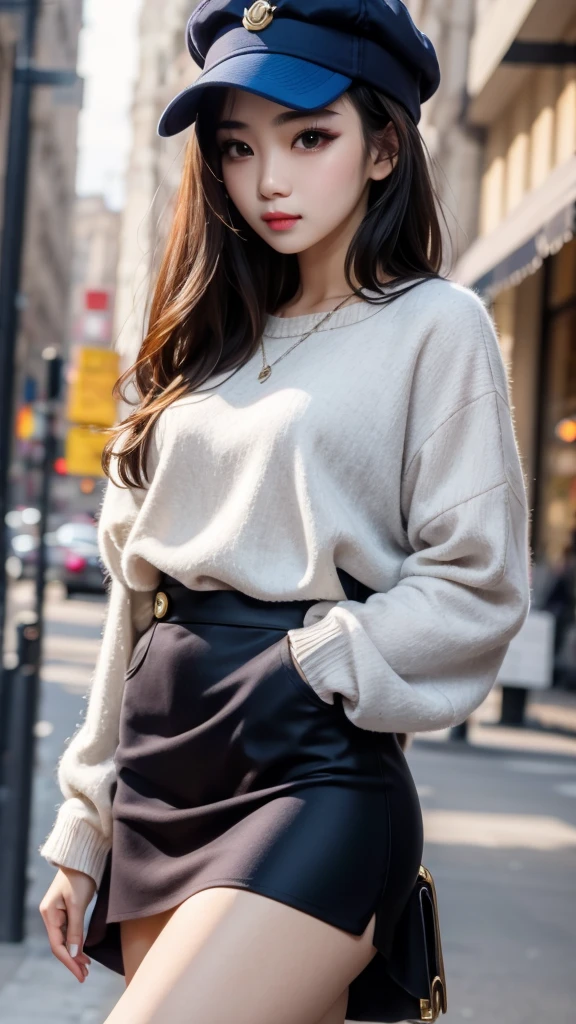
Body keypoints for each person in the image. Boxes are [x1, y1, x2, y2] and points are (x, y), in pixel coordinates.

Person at [38, 2, 531, 1022]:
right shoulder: (196, 343)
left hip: (312, 765)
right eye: (237, 147)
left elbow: (478, 582)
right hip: (166, 768)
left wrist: (315, 664)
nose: (270, 179)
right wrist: (83, 826)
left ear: (385, 145)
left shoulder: (436, 326)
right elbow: (136, 606)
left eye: (310, 137)